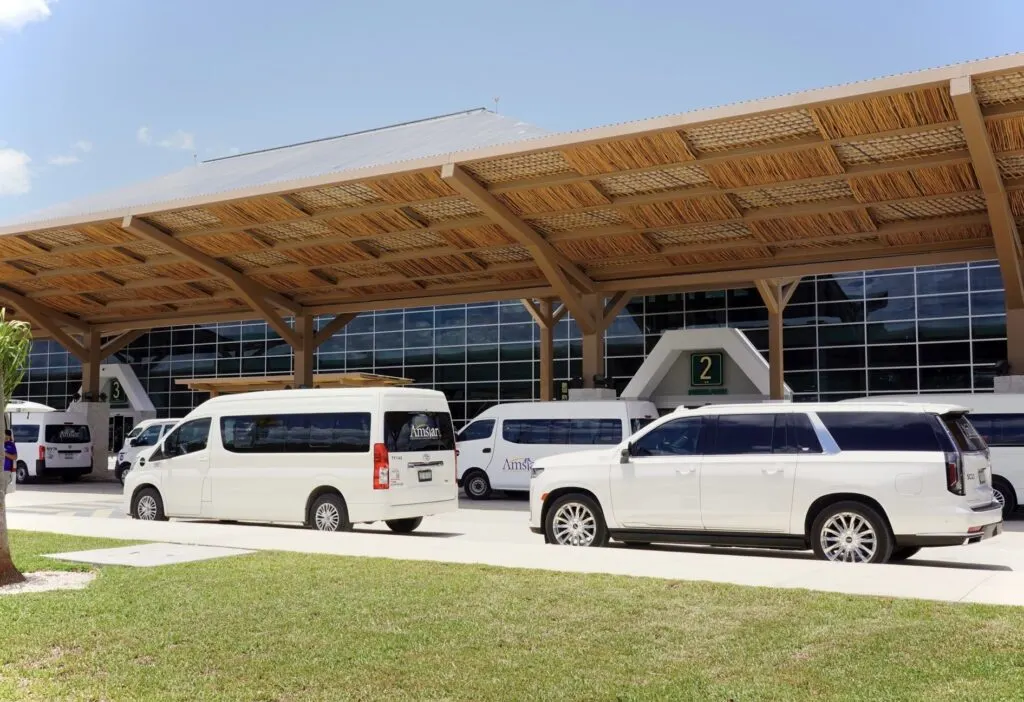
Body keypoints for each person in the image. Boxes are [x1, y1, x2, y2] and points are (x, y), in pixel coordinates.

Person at [2, 429, 16, 493]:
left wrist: (4, 453)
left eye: (8, 437)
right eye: (6, 437)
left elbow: (14, 457)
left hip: (6, 471)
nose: (7, 439)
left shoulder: (11, 445)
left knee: (3, 490)